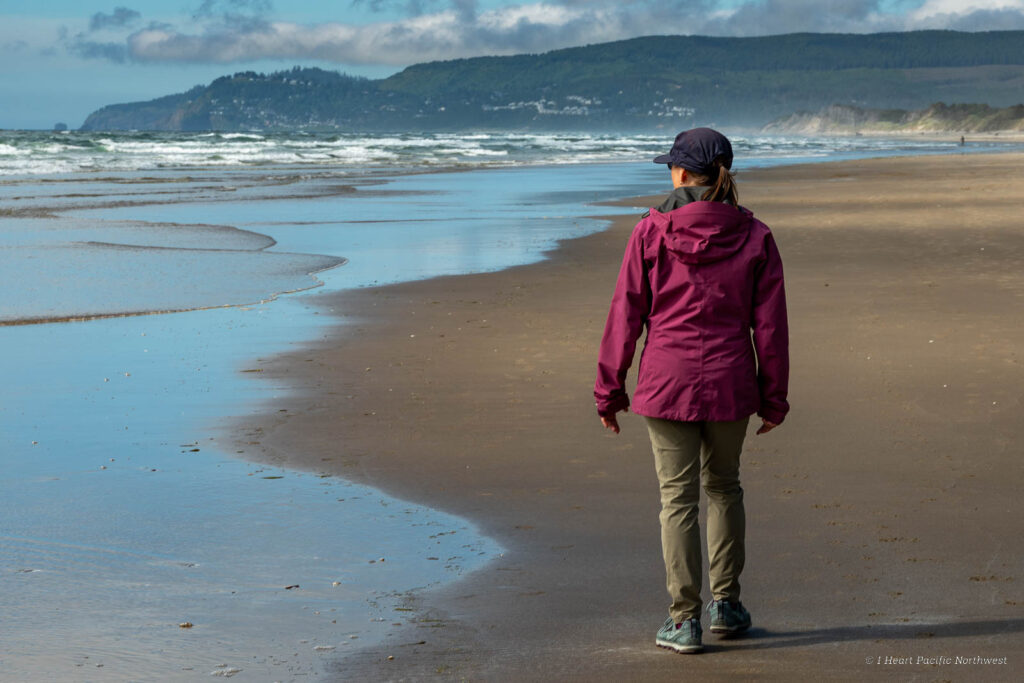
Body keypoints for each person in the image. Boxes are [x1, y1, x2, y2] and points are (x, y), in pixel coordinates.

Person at [594, 128, 789, 654]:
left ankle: (684, 620)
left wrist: (608, 390)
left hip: (666, 382)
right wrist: (774, 398)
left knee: (677, 499)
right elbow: (769, 329)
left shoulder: (649, 232)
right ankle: (725, 603)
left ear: (680, 174)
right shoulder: (756, 235)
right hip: (730, 382)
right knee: (724, 487)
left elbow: (624, 316)